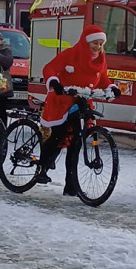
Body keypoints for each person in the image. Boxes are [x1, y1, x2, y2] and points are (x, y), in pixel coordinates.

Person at [39, 25, 120, 196]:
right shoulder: (71, 53)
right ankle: (42, 166)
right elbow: (50, 68)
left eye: (100, 43)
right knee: (58, 135)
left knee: (76, 142)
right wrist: (54, 82)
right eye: (94, 43)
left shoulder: (100, 59)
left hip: (82, 102)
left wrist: (112, 87)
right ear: (86, 42)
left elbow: (103, 78)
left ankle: (71, 185)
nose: (97, 47)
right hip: (62, 101)